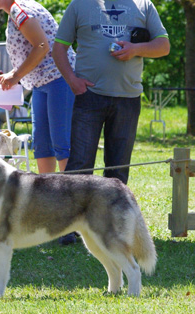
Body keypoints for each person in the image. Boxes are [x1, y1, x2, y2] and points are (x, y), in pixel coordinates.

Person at [52, 0, 170, 245]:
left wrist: (136, 50)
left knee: (117, 168)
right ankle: (69, 228)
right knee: (80, 165)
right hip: (89, 96)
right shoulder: (79, 5)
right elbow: (59, 47)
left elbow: (163, 46)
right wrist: (72, 79)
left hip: (128, 97)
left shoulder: (144, 5)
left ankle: (112, 225)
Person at [0, 0, 76, 174]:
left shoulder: (20, 10)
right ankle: (47, 194)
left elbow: (41, 46)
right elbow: (31, 51)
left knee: (62, 144)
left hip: (58, 79)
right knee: (42, 146)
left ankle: (73, 195)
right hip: (40, 84)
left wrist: (16, 75)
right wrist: (12, 73)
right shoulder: (14, 12)